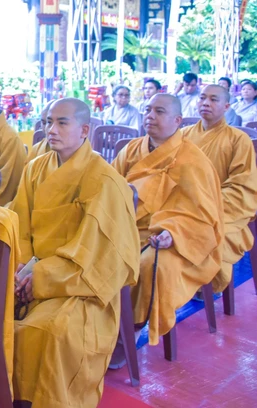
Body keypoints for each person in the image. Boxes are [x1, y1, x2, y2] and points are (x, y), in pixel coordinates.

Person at [10, 98, 139, 408]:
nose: (51, 130)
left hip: (78, 284)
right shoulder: (35, 168)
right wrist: (21, 268)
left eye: (62, 123)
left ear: (84, 130)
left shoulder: (103, 180)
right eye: (48, 122)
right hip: (29, 272)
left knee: (52, 332)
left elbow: (99, 254)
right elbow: (19, 223)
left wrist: (41, 278)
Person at [112, 94, 224, 346]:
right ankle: (98, 321)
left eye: (159, 111)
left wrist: (172, 233)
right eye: (147, 110)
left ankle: (131, 329)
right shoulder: (132, 149)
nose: (150, 116)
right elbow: (109, 188)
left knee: (150, 264)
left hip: (172, 237)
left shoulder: (193, 160)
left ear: (177, 120)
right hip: (126, 226)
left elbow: (203, 215)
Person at [183, 85, 257, 293]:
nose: (206, 103)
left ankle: (196, 285)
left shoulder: (238, 139)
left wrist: (206, 205)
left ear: (226, 106)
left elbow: (241, 185)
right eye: (202, 98)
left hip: (222, 208)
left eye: (214, 99)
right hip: (183, 206)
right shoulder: (182, 136)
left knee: (207, 237)